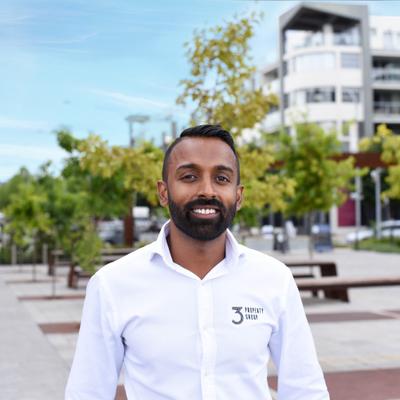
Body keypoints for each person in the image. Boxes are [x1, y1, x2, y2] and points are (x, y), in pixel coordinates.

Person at [65, 124, 329, 400]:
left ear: (238, 197)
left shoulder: (274, 279)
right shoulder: (112, 284)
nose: (207, 190)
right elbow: (88, 392)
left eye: (222, 179)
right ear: (163, 191)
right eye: (189, 177)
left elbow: (305, 389)